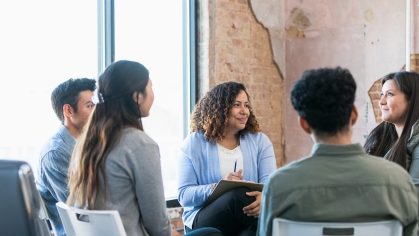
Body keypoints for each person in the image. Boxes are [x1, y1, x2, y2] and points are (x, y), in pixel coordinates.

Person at [66, 60, 222, 236]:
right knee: (212, 233)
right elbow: (158, 226)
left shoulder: (85, 143)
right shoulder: (140, 144)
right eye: (150, 87)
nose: (153, 94)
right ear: (137, 96)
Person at [257, 67, 418, 236]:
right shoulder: (399, 182)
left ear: (304, 124)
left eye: (389, 94)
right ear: (354, 115)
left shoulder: (278, 185)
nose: (382, 101)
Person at [177, 81, 277, 236]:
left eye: (246, 105)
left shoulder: (260, 141)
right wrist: (219, 187)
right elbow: (184, 195)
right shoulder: (193, 143)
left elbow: (269, 185)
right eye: (237, 105)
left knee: (250, 231)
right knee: (239, 195)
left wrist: (264, 198)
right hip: (203, 219)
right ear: (220, 108)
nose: (245, 111)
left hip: (246, 217)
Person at [35, 78, 96, 236]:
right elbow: (82, 212)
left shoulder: (87, 144)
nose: (96, 111)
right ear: (68, 111)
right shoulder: (56, 153)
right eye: (89, 106)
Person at [363, 71, 419, 188]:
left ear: (411, 100)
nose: (381, 102)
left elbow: (414, 197)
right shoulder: (379, 138)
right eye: (382, 94)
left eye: (390, 94)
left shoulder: (416, 144)